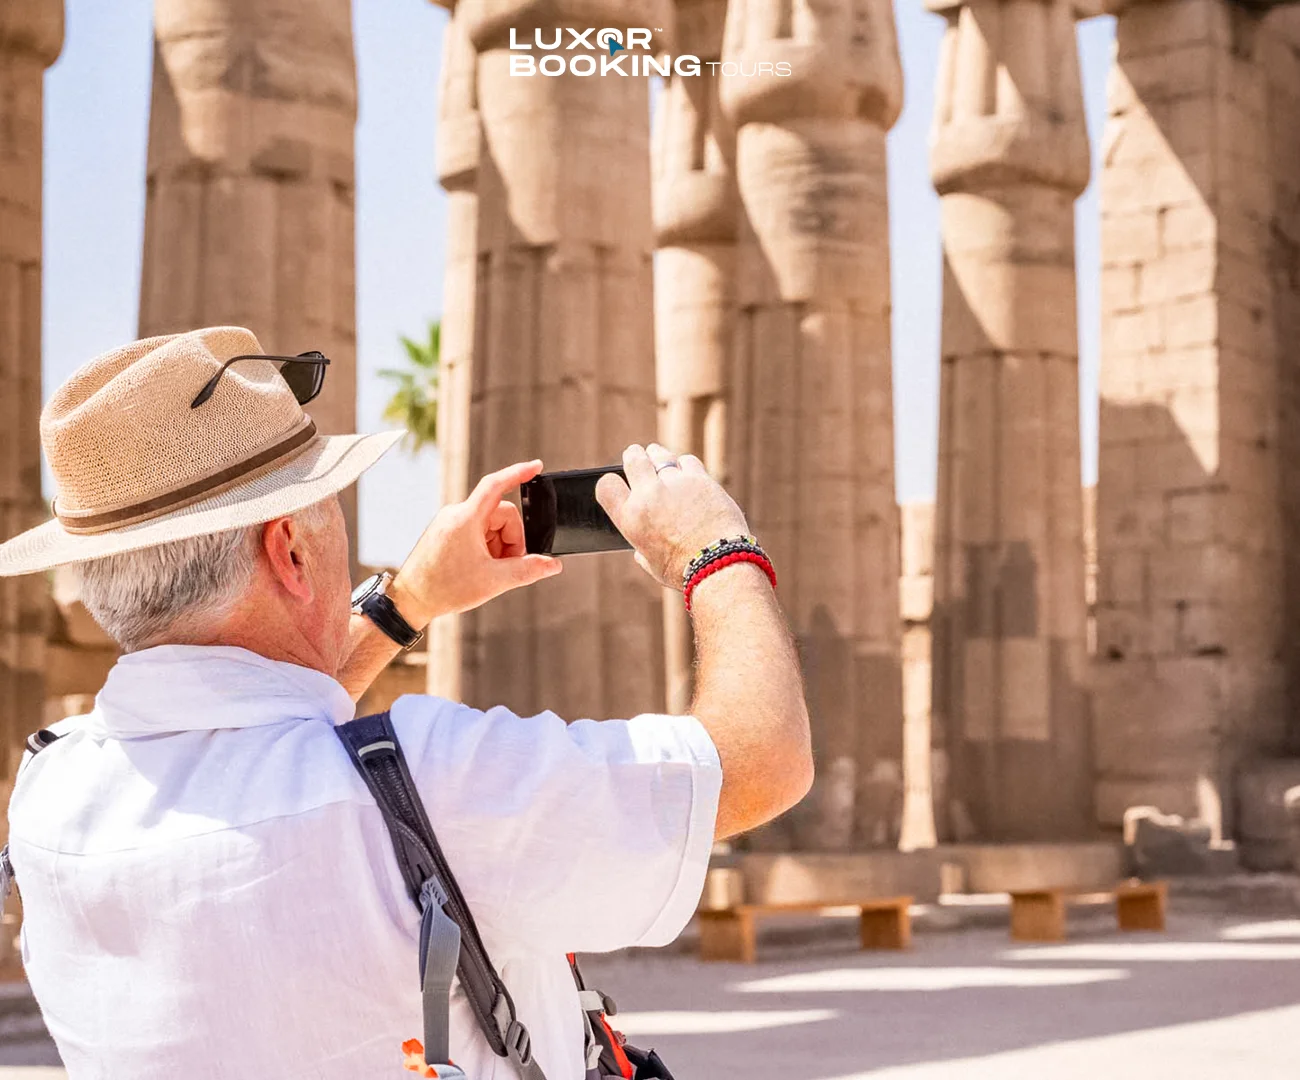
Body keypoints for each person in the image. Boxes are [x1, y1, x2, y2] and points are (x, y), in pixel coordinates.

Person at [0, 327, 812, 1079]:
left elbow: (269, 729)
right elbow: (761, 762)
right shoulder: (439, 785)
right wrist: (716, 552)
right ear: (287, 549)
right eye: (328, 514)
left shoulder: (51, 792)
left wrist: (408, 600)